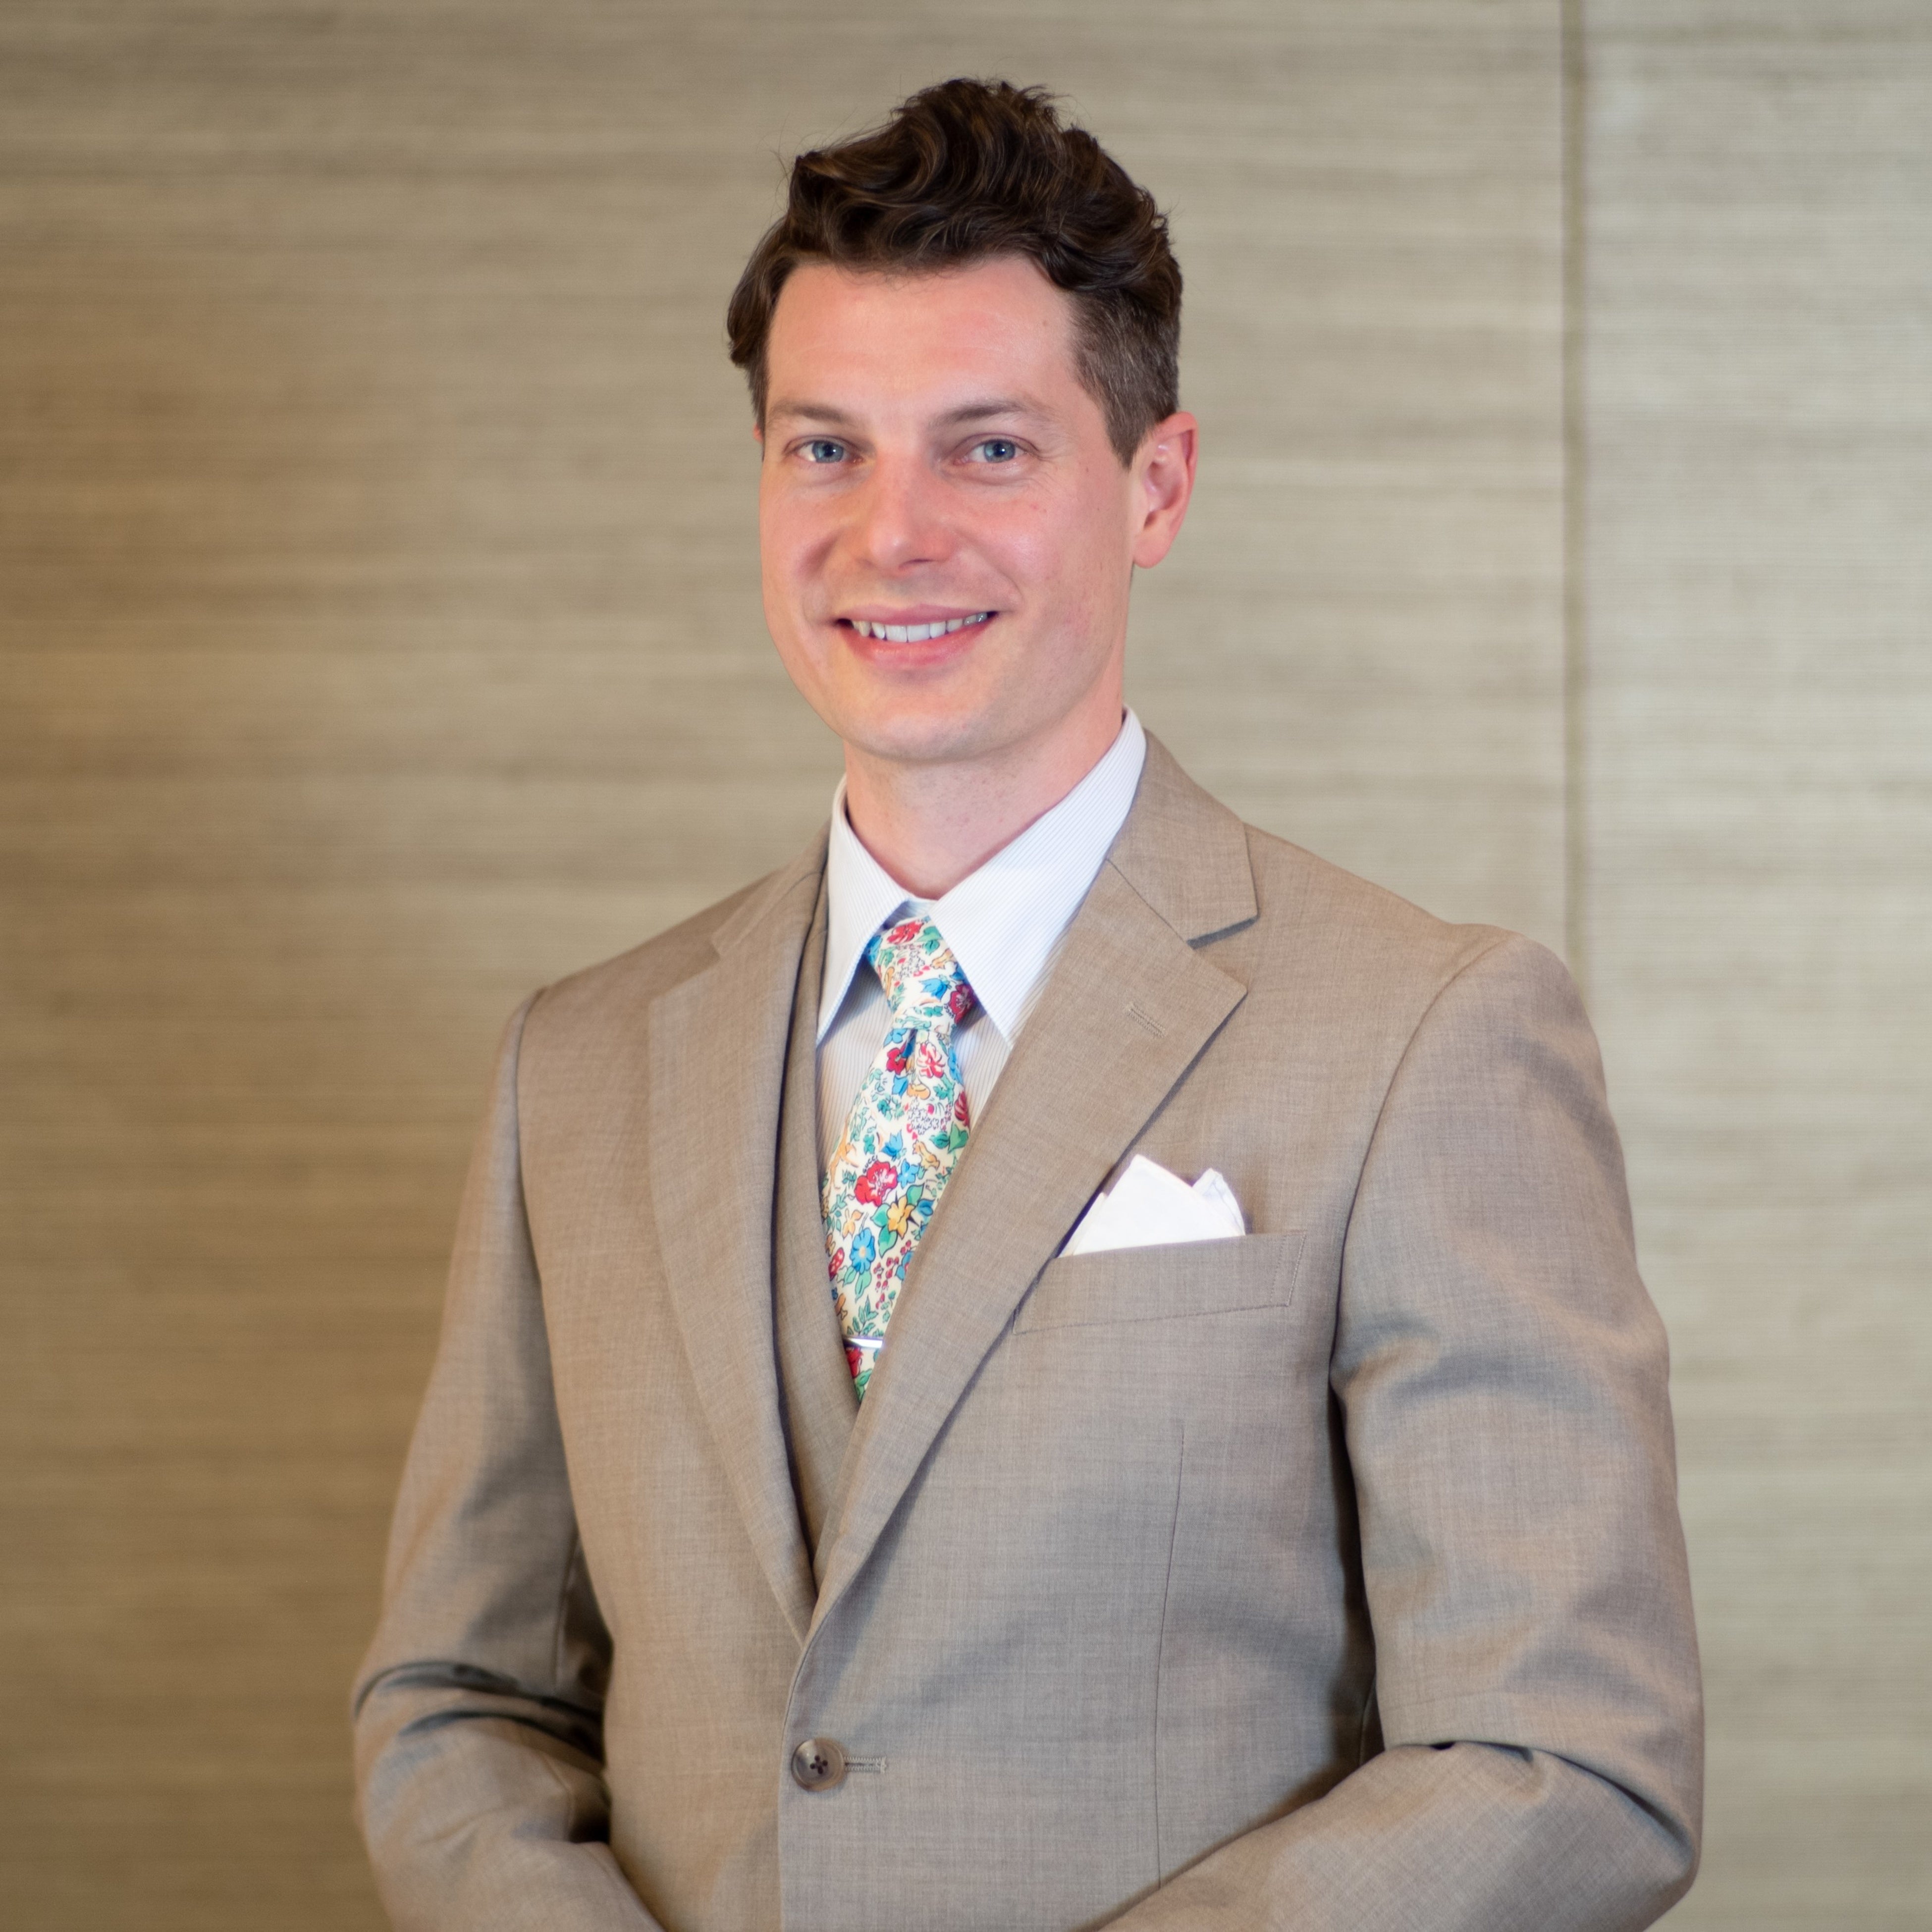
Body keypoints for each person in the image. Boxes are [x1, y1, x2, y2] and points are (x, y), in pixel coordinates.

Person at [353, 77, 1702, 1932]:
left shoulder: (1429, 1032)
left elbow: (1566, 1758)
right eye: (825, 448)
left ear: (1155, 487)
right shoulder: (575, 1065)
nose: (890, 533)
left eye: (986, 448)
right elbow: (461, 1703)